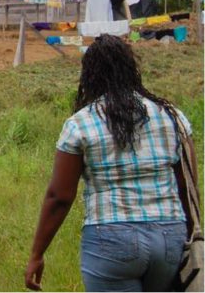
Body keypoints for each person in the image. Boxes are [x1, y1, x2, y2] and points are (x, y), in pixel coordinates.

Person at [24, 34, 196, 292]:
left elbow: (60, 196)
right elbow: (187, 185)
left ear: (89, 76)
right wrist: (192, 235)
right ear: (131, 69)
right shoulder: (172, 117)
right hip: (170, 236)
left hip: (111, 241)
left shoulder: (81, 124)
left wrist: (37, 253)